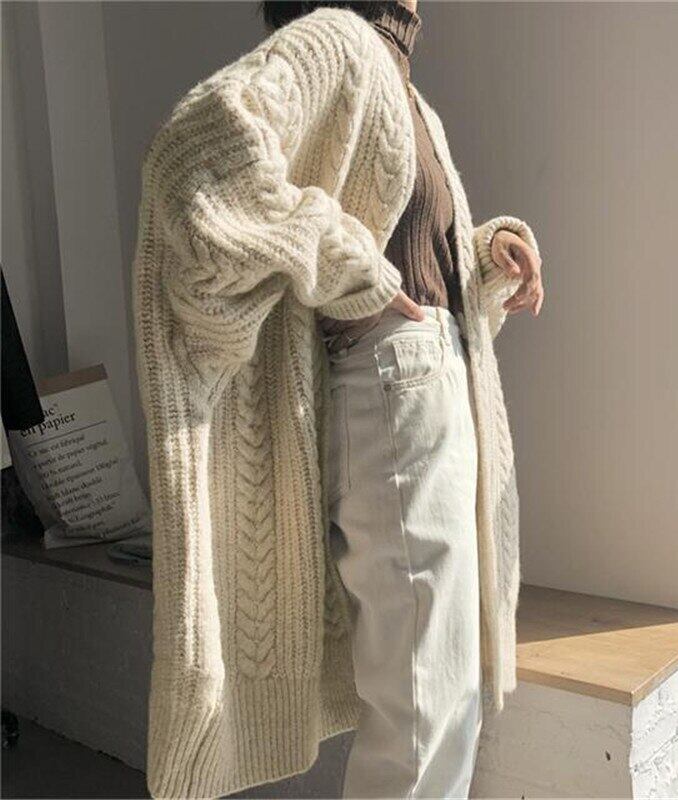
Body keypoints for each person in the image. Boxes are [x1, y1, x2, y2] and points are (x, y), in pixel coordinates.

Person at [132, 1, 544, 798]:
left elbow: (406, 255)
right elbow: (191, 161)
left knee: (439, 704)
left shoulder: (403, 84)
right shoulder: (341, 40)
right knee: (423, 716)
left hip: (428, 388)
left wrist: (482, 256)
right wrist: (349, 265)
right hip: (396, 395)